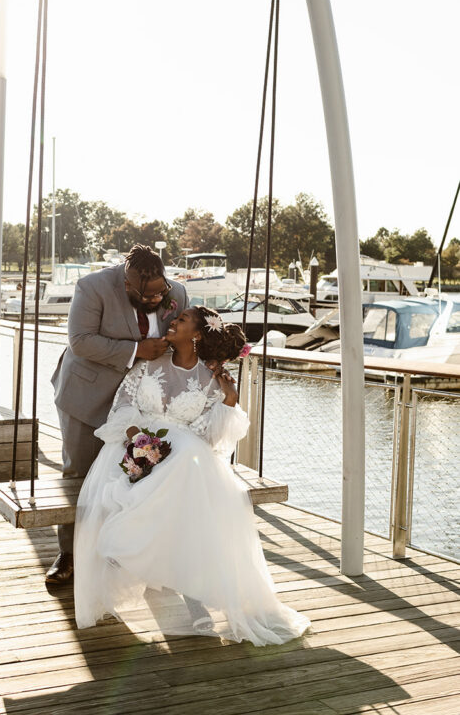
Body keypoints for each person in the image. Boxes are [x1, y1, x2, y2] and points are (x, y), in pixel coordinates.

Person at [73, 306, 311, 643]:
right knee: (176, 496)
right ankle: (169, 583)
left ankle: (189, 593)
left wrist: (229, 399)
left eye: (181, 321)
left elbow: (208, 438)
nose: (173, 322)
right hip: (133, 445)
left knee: (184, 473)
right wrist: (138, 439)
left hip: (179, 460)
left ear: (197, 334)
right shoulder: (148, 365)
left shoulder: (211, 379)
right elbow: (123, 404)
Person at [48, 245, 188, 585]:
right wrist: (136, 350)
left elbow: (186, 339)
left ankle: (120, 550)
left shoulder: (178, 293)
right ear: (129, 283)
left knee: (133, 475)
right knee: (78, 476)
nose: (157, 300)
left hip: (144, 406)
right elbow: (80, 341)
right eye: (148, 295)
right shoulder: (92, 287)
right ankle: (69, 554)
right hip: (87, 396)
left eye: (161, 293)